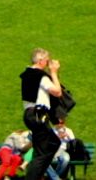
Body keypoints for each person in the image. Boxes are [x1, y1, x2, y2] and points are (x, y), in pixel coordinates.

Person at [20, 49, 63, 180]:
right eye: (46, 60)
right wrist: (54, 73)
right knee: (47, 148)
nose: (48, 63)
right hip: (38, 114)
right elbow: (57, 92)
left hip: (29, 114)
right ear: (40, 61)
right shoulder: (40, 76)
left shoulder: (27, 74)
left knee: (48, 146)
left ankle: (36, 176)